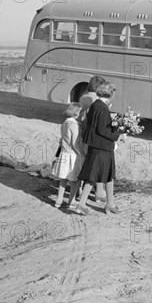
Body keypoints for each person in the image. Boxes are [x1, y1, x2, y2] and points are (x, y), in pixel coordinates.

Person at [76, 82, 122, 215]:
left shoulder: (95, 105)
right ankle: (82, 204)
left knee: (105, 175)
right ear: (110, 94)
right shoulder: (102, 108)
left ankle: (110, 203)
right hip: (102, 146)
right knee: (96, 175)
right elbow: (102, 130)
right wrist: (117, 135)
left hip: (96, 145)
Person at [51, 103, 86, 209]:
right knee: (75, 180)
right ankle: (71, 201)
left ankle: (59, 200)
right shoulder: (74, 125)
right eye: (80, 111)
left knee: (63, 178)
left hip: (64, 153)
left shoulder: (65, 122)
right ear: (76, 113)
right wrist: (82, 153)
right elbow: (75, 143)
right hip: (73, 156)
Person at [79, 75, 107, 203]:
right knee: (97, 165)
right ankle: (99, 193)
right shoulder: (97, 99)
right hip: (94, 134)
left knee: (85, 162)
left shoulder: (83, 97)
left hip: (83, 131)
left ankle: (79, 190)